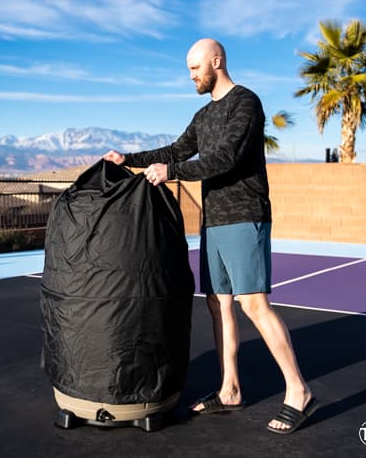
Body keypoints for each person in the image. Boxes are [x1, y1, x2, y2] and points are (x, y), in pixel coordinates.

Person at [103, 38, 317, 434]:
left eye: (194, 67)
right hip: (213, 221)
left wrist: (175, 173)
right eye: (188, 69)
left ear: (216, 61)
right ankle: (230, 388)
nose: (190, 76)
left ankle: (298, 391)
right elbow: (177, 150)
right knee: (218, 304)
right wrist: (127, 160)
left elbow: (227, 158)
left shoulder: (245, 103)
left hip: (244, 215)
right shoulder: (203, 116)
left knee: (254, 305)